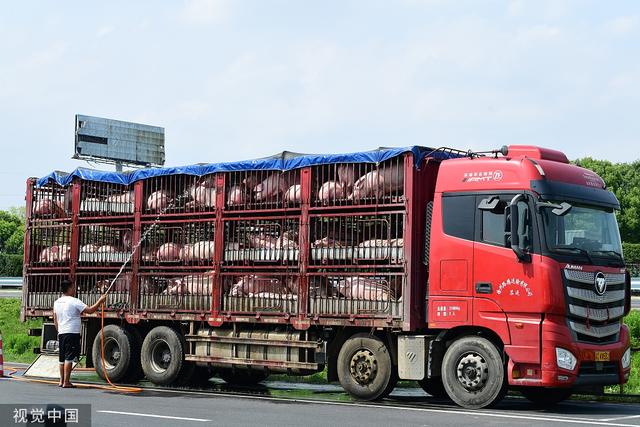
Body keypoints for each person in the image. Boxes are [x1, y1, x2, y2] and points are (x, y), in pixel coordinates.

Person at [53, 279, 106, 388]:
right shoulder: (74, 301)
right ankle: (66, 382)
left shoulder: (57, 302)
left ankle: (61, 381)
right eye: (73, 287)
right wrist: (100, 301)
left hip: (62, 332)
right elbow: (90, 310)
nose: (75, 289)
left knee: (62, 358)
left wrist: (59, 330)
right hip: (72, 332)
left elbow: (55, 319)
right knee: (69, 357)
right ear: (69, 288)